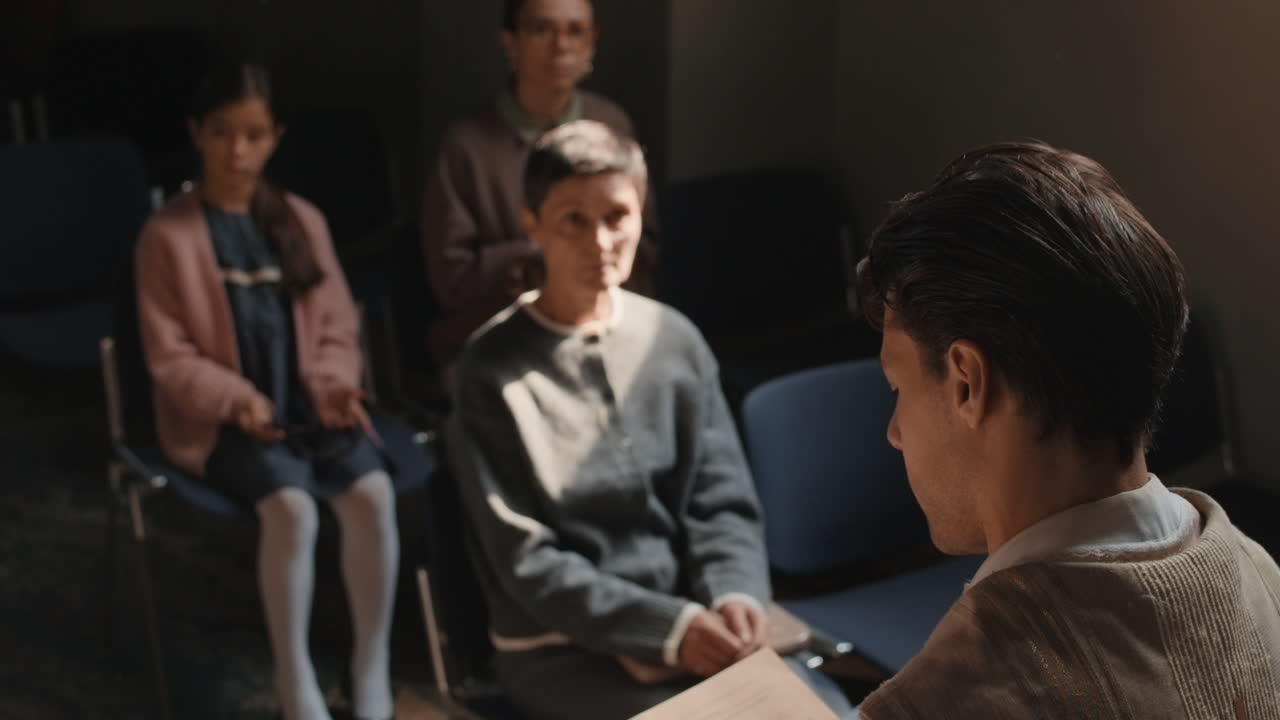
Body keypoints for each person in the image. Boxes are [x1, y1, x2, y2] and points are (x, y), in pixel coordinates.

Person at [852, 141, 1280, 718]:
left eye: (897, 390)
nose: (894, 433)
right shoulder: (1260, 575)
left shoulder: (940, 703)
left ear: (966, 384)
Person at [446, 120, 849, 720]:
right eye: (573, 221)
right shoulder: (490, 370)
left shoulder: (674, 340)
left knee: (825, 712)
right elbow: (528, 561)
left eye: (617, 217)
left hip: (696, 621)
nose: (600, 241)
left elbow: (722, 502)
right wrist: (667, 628)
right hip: (561, 649)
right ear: (531, 224)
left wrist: (735, 595)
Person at [135, 63, 398, 720]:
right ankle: (295, 676)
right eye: (222, 133)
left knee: (373, 494)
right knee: (294, 510)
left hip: (309, 407)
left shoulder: (302, 220)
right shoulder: (168, 235)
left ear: (275, 137)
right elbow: (170, 357)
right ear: (197, 133)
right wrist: (235, 399)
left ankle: (372, 663)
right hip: (227, 421)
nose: (237, 151)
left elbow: (338, 323)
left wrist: (338, 384)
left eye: (253, 135)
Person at [421, 0, 658, 373]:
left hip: (598, 330)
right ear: (510, 42)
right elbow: (452, 281)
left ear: (592, 41)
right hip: (500, 344)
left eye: (575, 31)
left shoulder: (611, 124)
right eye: (541, 30)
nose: (560, 45)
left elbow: (644, 251)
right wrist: (539, 253)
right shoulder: (467, 145)